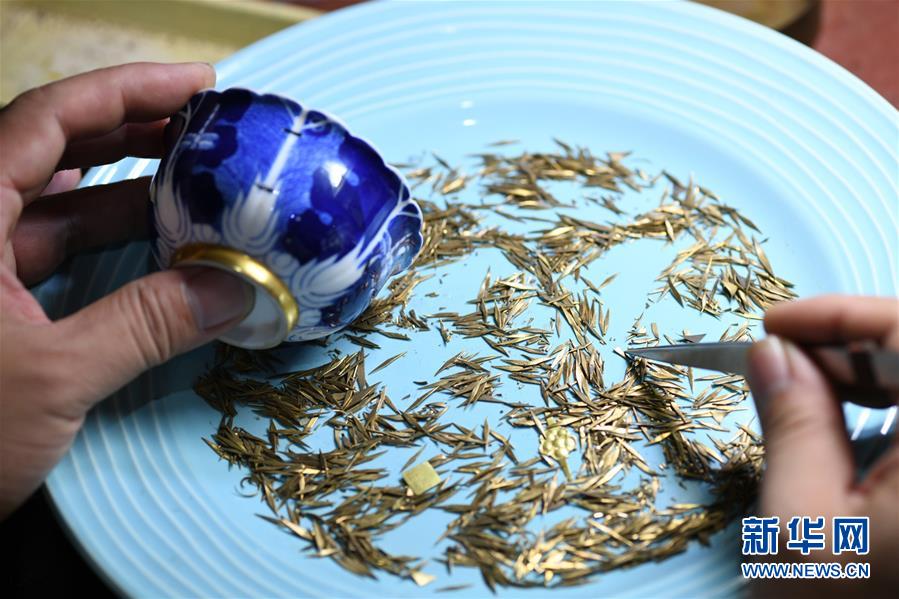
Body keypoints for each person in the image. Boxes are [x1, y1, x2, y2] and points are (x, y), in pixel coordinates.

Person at [0, 64, 895, 594]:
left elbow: (806, 566)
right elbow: (809, 564)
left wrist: (814, 561)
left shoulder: (839, 558)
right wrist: (819, 561)